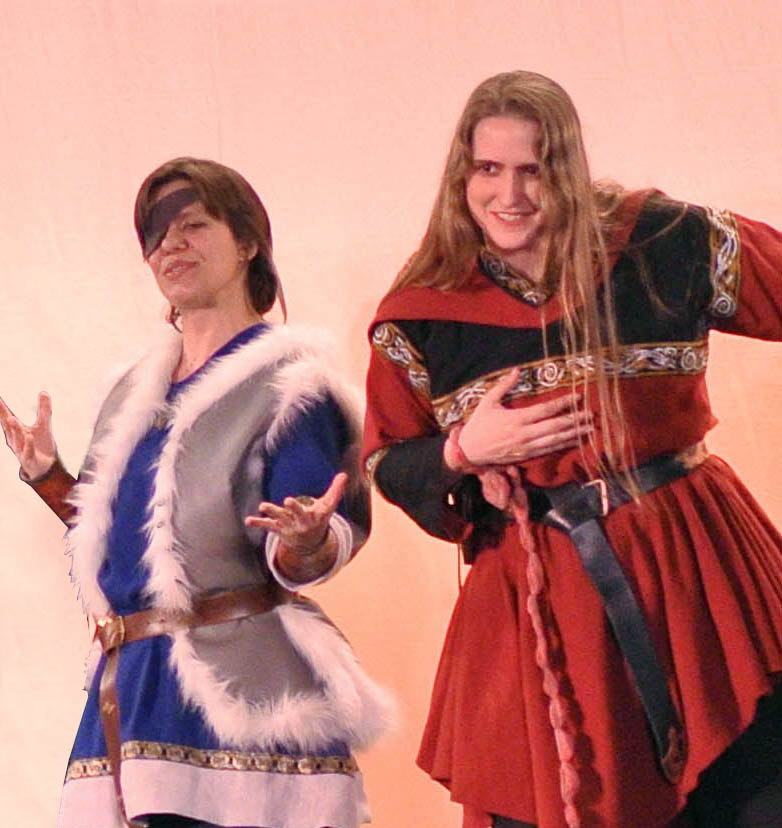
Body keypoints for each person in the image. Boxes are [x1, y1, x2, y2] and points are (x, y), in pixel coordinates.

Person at [362, 71, 782, 828]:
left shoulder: (660, 242)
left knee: (750, 788)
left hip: (692, 566)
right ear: (462, 175)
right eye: (489, 169)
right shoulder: (424, 311)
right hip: (541, 600)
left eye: (534, 170)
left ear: (569, 168)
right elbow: (387, 459)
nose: (510, 194)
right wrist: (461, 451)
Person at [1, 157, 394, 828]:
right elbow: (128, 545)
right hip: (133, 690)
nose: (170, 246)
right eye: (155, 235)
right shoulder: (131, 392)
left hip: (239, 695)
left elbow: (308, 532)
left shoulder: (292, 385)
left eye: (193, 225)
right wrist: (50, 476)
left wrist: (305, 540)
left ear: (247, 243)